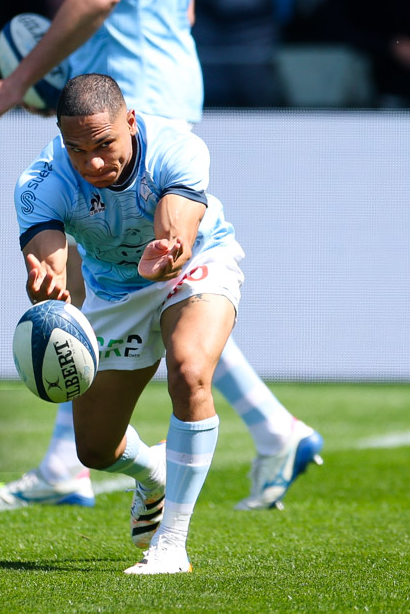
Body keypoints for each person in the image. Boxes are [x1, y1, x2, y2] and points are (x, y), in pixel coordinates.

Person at [0, 0, 322, 512]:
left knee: (149, 279)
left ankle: (70, 462)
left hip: (132, 83)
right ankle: (272, 427)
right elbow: (183, 10)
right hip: (154, 76)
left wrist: (21, 81)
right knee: (144, 281)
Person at [18, 72, 244, 574]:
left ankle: (172, 544)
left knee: (189, 372)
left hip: (195, 265)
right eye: (77, 149)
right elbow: (49, 261)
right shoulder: (41, 182)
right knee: (95, 449)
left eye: (104, 144)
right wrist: (47, 285)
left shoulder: (177, 150)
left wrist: (167, 251)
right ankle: (156, 471)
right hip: (115, 292)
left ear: (131, 121)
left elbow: (176, 227)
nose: (92, 162)